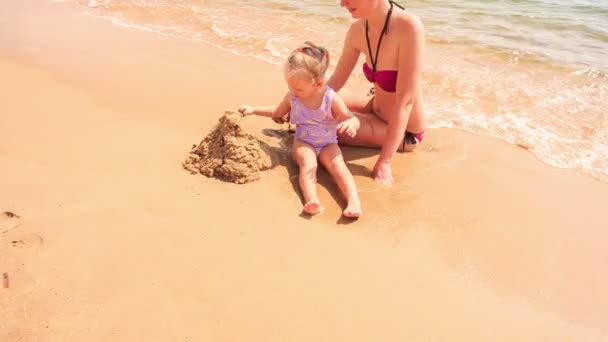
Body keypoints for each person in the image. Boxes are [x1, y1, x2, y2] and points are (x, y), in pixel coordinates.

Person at [239, 42, 362, 218]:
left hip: (328, 143)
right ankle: (312, 200)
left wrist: (352, 124)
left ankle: (353, 201)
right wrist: (253, 109)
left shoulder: (330, 98)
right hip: (304, 142)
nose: (293, 92)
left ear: (318, 84)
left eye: (298, 89)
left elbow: (350, 118)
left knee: (339, 167)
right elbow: (277, 112)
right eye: (290, 86)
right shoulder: (293, 97)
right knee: (308, 165)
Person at [327, 0, 427, 186]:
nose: (342, 3)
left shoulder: (408, 26)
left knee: (321, 124)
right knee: (315, 103)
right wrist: (299, 102)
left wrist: (385, 161)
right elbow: (336, 81)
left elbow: (405, 102)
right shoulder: (358, 30)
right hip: (373, 107)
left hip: (404, 132)